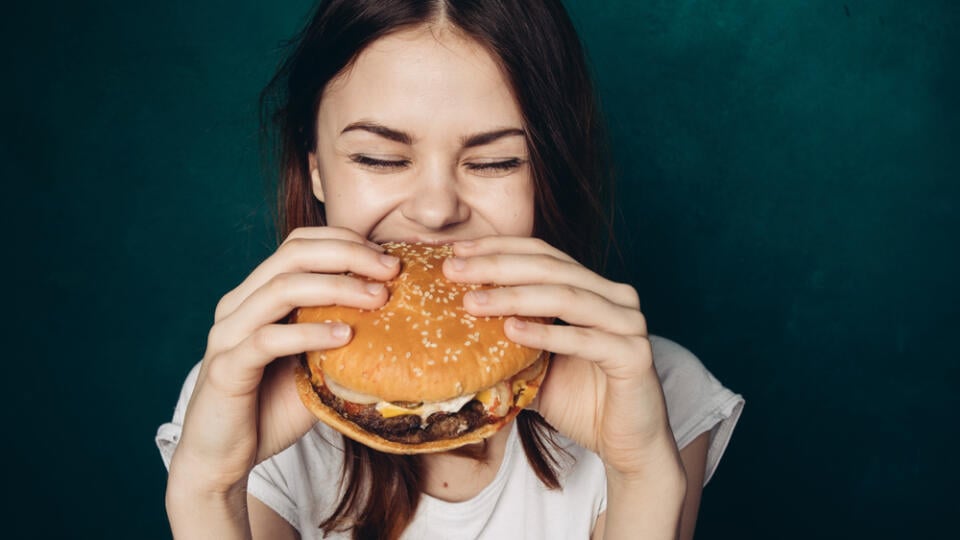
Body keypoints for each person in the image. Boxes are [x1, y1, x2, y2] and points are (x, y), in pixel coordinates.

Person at [155, 1, 744, 538]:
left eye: (494, 162)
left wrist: (641, 474)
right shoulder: (244, 394)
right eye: (379, 158)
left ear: (546, 176)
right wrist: (207, 487)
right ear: (314, 169)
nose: (436, 211)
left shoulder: (652, 386)